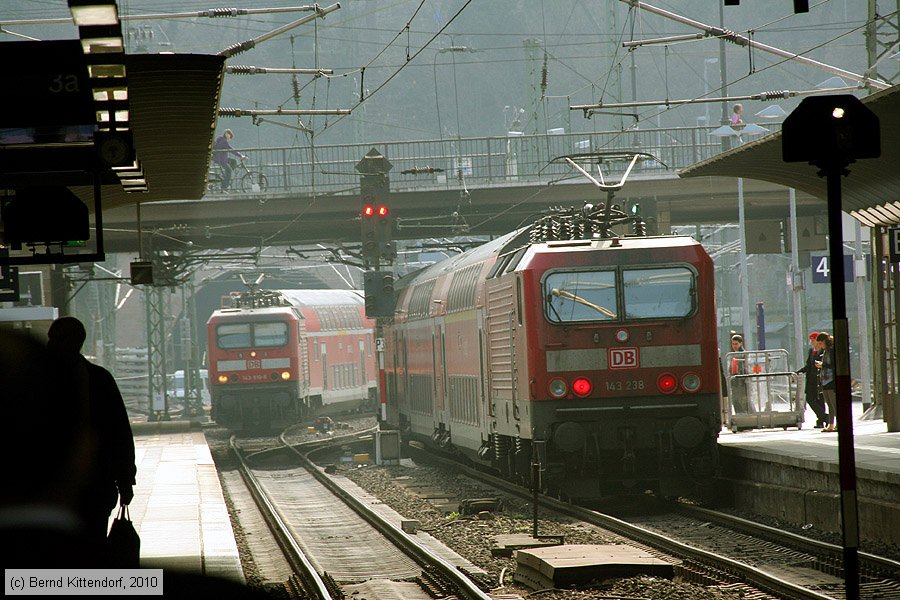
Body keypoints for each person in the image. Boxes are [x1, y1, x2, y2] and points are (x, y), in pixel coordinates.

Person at [47, 316, 136, 544]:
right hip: (61, 489)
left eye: (58, 339)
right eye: (52, 338)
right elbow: (119, 433)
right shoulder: (98, 379)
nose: (52, 344)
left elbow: (119, 434)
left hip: (89, 487)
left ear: (76, 342)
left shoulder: (34, 379)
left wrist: (126, 479)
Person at [797, 331, 827, 428]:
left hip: (820, 379)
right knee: (810, 398)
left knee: (820, 400)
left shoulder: (823, 352)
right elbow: (808, 365)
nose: (812, 342)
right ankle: (823, 417)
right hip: (811, 380)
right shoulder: (811, 351)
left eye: (813, 340)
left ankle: (821, 420)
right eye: (811, 340)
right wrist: (799, 371)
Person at [816, 332, 837, 432]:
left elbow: (834, 365)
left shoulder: (832, 351)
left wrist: (822, 365)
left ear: (824, 341)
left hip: (831, 380)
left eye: (820, 343)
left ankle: (838, 423)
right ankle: (831, 424)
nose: (820, 346)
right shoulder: (826, 351)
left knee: (834, 403)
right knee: (830, 404)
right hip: (825, 380)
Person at [728, 333, 749, 414]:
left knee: (740, 400)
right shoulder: (735, 353)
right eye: (733, 344)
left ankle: (742, 415)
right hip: (736, 381)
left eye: (736, 344)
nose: (734, 346)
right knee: (737, 400)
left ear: (741, 343)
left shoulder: (742, 354)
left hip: (740, 381)